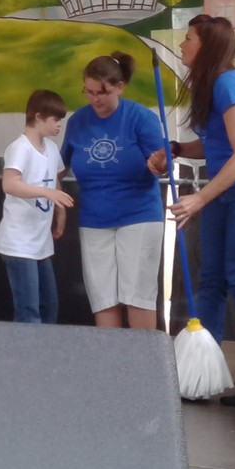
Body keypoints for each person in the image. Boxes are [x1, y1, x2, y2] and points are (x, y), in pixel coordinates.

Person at [150, 14, 235, 409]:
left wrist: (200, 198)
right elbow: (218, 144)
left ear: (206, 46)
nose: (182, 45)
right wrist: (178, 148)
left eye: (188, 39)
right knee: (211, 280)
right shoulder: (211, 85)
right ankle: (200, 377)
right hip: (230, 189)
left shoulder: (228, 83)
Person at [60, 52, 166, 330]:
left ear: (119, 87)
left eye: (102, 93)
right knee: (103, 297)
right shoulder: (77, 121)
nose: (95, 99)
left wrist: (158, 163)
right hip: (94, 218)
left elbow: (160, 162)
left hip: (138, 215)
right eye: (89, 92)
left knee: (137, 295)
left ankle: (143, 356)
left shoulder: (141, 117)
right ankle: (110, 357)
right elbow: (59, 166)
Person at [0, 90, 74, 324]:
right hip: (19, 243)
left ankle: (46, 346)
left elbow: (55, 179)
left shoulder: (51, 148)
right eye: (55, 119)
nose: (59, 125)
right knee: (28, 310)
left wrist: (60, 211)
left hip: (40, 242)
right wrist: (46, 192)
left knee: (49, 306)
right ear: (39, 117)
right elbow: (10, 184)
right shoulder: (20, 148)